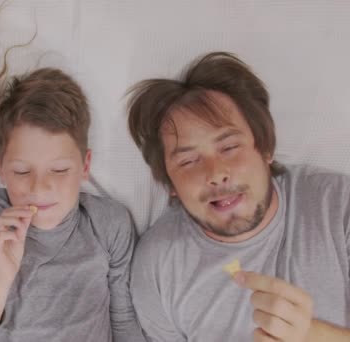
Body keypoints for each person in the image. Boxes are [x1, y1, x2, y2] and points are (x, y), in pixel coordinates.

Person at [127, 51, 350, 341]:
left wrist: (313, 334)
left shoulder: (338, 206)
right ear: (170, 184)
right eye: (188, 161)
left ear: (266, 149)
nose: (216, 173)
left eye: (229, 147)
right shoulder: (156, 268)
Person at [0, 68, 145, 341]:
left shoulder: (109, 225)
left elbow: (124, 322)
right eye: (22, 172)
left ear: (85, 166)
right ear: (0, 169)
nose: (39, 188)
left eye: (59, 170)